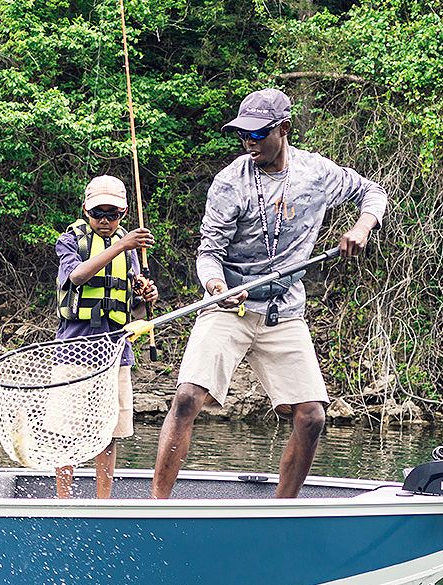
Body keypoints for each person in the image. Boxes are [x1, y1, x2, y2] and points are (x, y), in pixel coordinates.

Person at [150, 88, 388, 499]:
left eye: (258, 135)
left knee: (312, 416)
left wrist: (362, 227)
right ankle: (157, 505)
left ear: (284, 130)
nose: (249, 143)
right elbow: (208, 253)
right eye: (243, 135)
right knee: (188, 397)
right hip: (230, 303)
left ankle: (284, 509)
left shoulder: (317, 173)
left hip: (284, 309)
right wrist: (217, 286)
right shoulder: (230, 182)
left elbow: (374, 193)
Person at [51, 175, 159, 499]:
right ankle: (63, 501)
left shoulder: (129, 249)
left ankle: (103, 501)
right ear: (86, 209)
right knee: (65, 431)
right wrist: (122, 245)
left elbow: (135, 311)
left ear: (123, 214)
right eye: (99, 213)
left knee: (109, 432)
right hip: (74, 348)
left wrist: (146, 297)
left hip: (115, 350)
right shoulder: (70, 241)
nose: (105, 221)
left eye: (112, 215)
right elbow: (78, 276)